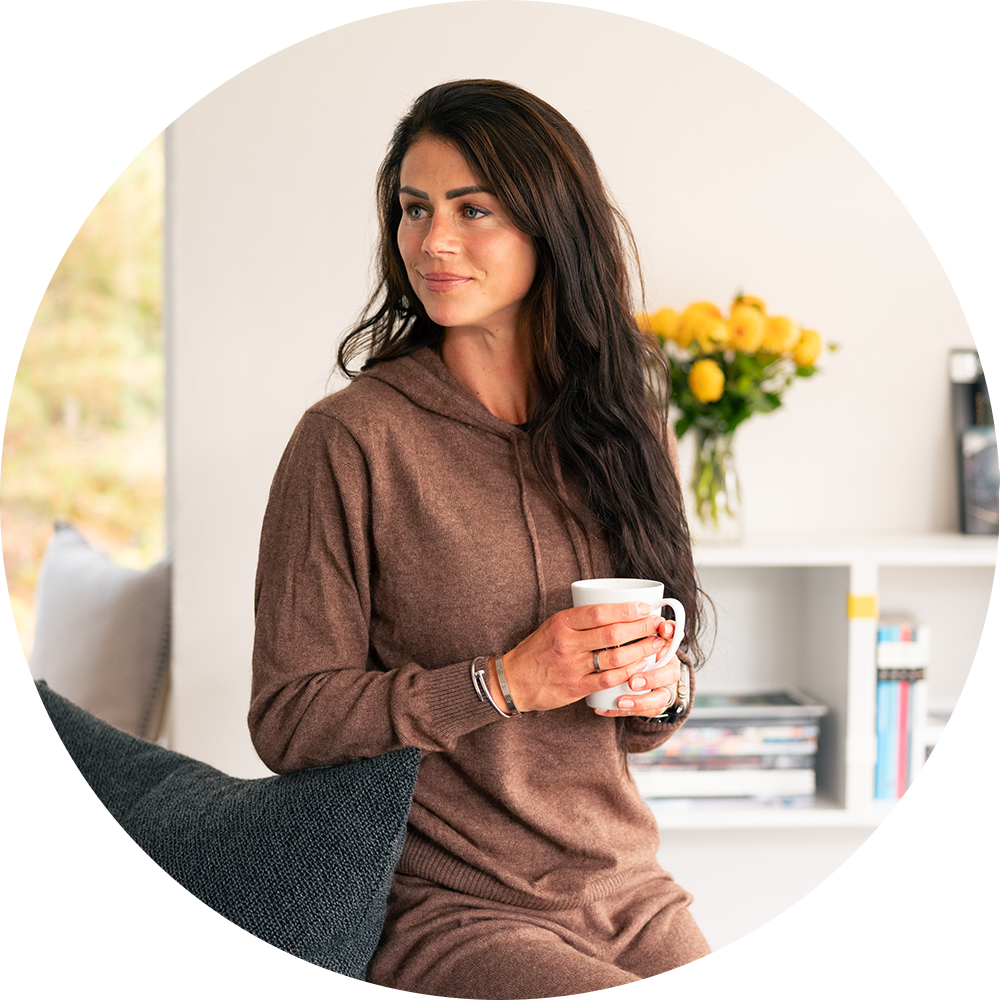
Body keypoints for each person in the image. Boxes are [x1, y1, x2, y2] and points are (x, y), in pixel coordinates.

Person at [249, 79, 735, 1000]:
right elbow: (288, 717)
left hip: (625, 889)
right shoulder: (352, 441)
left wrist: (661, 691)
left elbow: (640, 728)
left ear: (552, 226)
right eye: (415, 209)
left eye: (475, 209)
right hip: (448, 906)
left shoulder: (630, 429)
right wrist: (503, 683)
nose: (434, 241)